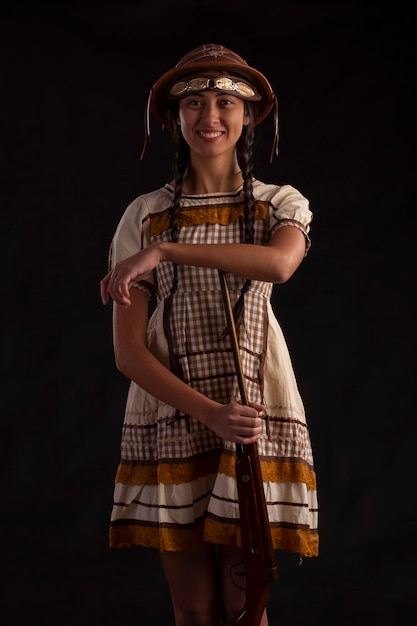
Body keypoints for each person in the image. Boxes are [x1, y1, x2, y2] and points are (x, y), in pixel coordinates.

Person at [100, 43, 318, 626]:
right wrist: (208, 413)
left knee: (246, 606)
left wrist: (167, 251)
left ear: (249, 115)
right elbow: (128, 352)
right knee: (194, 609)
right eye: (193, 102)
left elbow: (277, 265)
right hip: (176, 413)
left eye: (225, 101)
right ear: (175, 116)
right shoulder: (143, 215)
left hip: (252, 411)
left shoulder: (279, 204)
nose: (210, 116)